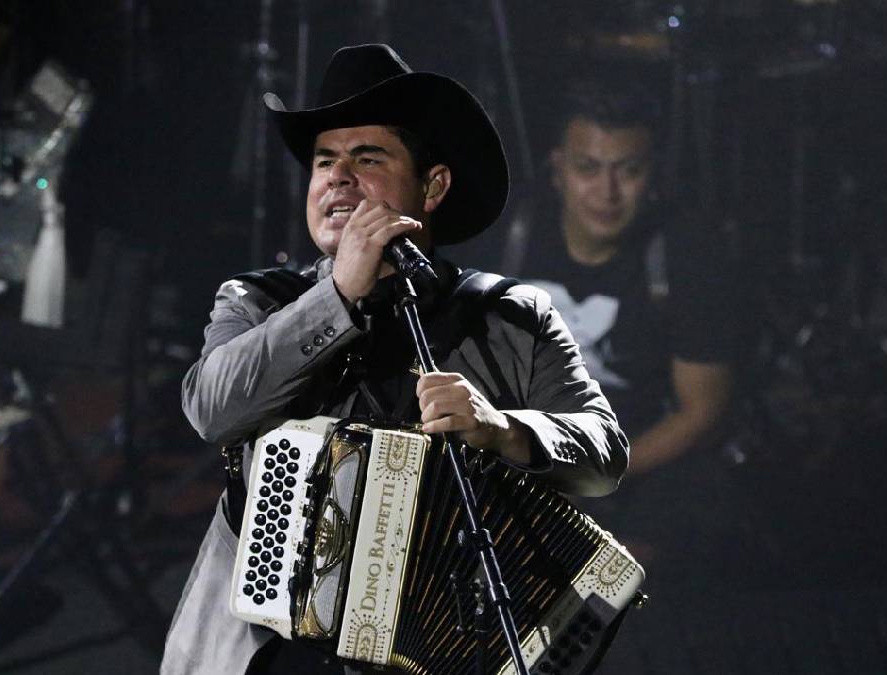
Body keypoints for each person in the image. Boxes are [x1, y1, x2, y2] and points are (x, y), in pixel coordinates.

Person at [161, 44, 629, 674]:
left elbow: (603, 454)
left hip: (446, 651)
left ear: (432, 187)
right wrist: (337, 297)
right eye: (325, 161)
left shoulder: (510, 315)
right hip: (266, 654)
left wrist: (502, 428)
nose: (337, 178)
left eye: (367, 158)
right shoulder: (258, 303)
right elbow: (211, 410)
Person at [521, 76, 743, 584]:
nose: (607, 192)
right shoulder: (511, 234)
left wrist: (589, 475)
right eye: (587, 168)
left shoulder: (690, 254)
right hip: (517, 452)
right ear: (558, 169)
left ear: (653, 174)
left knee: (608, 592)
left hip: (642, 458)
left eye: (629, 170)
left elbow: (702, 411)